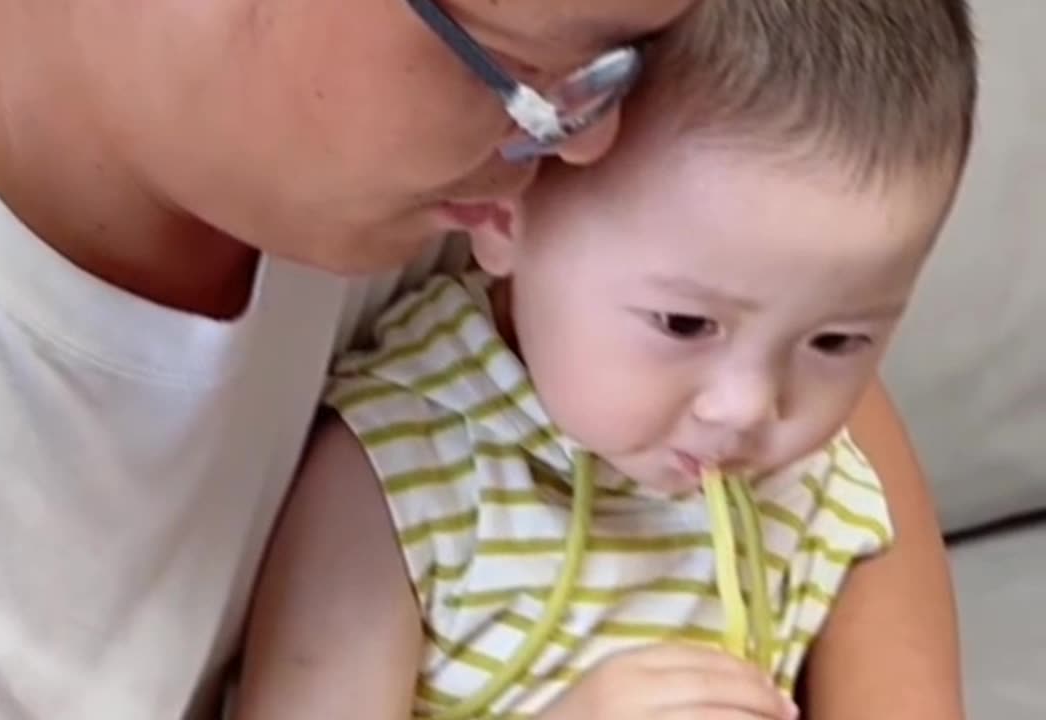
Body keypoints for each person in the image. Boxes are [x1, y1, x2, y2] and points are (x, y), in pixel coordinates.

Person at [0, 0, 959, 718]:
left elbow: (788, 341)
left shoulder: (429, 168)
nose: (590, 155)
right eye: (558, 76)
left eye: (628, 64)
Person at [232, 1, 978, 719]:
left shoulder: (806, 486)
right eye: (685, 323)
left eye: (836, 341)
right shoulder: (405, 469)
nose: (751, 407)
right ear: (502, 208)